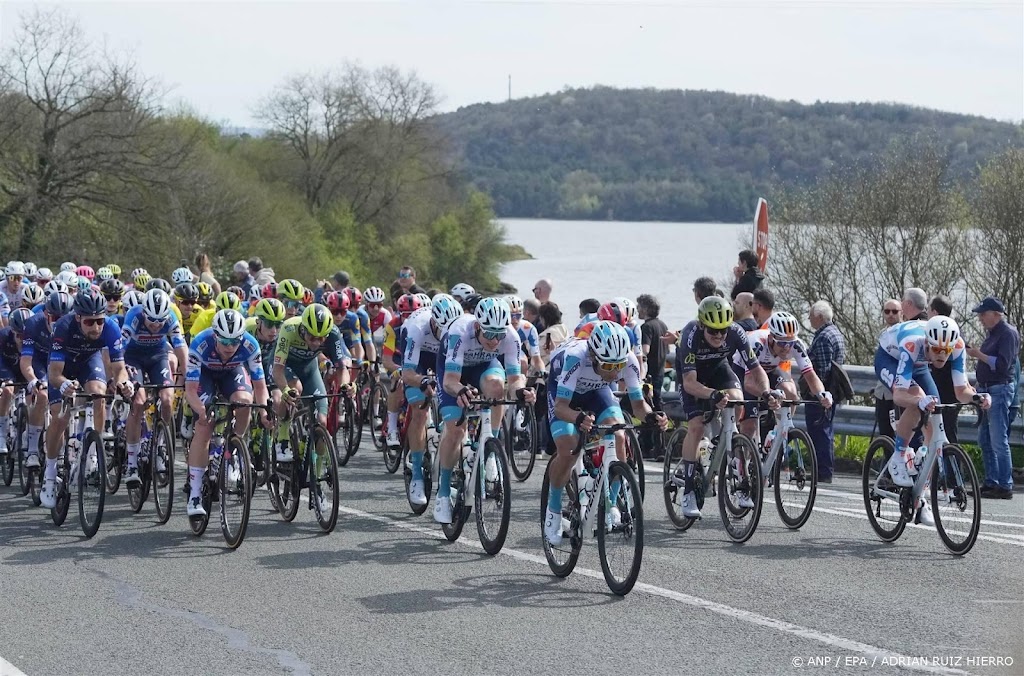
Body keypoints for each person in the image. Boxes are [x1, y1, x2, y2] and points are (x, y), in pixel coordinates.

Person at [543, 322, 667, 544]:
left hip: (596, 391)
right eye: (609, 367)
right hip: (562, 393)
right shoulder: (576, 357)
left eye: (618, 366)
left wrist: (651, 416)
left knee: (619, 435)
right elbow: (561, 406)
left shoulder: (627, 361)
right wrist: (578, 418)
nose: (616, 373)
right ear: (593, 355)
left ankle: (610, 503)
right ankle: (553, 509)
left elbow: (638, 405)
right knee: (569, 448)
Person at [876, 314, 989, 523]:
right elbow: (900, 396)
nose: (941, 356)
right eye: (936, 350)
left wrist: (976, 397)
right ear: (927, 342)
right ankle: (899, 455)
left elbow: (961, 390)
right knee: (917, 397)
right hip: (890, 357)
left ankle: (920, 496)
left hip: (919, 363)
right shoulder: (912, 343)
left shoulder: (957, 346)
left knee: (933, 404)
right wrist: (917, 402)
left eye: (945, 351)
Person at [673, 297, 778, 519]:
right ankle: (689, 490)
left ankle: (730, 445)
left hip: (719, 369)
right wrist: (712, 394)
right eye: (713, 331)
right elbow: (690, 383)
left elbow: (756, 369)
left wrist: (766, 391)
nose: (719, 336)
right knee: (697, 426)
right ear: (702, 325)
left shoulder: (736, 332)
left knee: (738, 399)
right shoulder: (691, 335)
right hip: (693, 376)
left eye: (723, 331)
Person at [433, 297, 534, 524]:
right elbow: (450, 380)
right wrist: (459, 391)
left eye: (499, 334)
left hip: (484, 367)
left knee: (497, 389)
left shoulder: (510, 337)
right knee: (456, 430)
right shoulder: (459, 332)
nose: (494, 340)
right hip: (452, 372)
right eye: (489, 334)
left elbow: (515, 379)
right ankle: (442, 492)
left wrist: (521, 392)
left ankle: (489, 448)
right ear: (478, 326)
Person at [966, 296, 1019, 499]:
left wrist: (978, 355)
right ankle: (991, 481)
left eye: (983, 314)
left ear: (996, 315)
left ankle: (1005, 485)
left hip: (999, 390)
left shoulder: (1007, 333)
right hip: (987, 389)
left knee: (998, 440)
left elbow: (1002, 365)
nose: (980, 318)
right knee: (985, 439)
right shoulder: (993, 333)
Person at [805, 301, 845, 484]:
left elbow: (822, 369)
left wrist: (815, 391)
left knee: (819, 431)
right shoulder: (835, 332)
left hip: (822, 393)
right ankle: (824, 469)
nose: (809, 319)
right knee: (826, 430)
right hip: (833, 391)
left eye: (811, 315)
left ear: (819, 317)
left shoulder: (822, 338)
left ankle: (822, 471)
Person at [638, 294, 669, 458]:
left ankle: (648, 446)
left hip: (649, 375)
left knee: (647, 410)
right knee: (659, 406)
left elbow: (645, 350)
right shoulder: (662, 325)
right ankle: (660, 447)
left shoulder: (646, 327)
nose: (637, 310)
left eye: (639, 306)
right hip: (660, 372)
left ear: (646, 308)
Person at [927, 295, 959, 443]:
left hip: (944, 392)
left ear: (934, 312)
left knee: (946, 438)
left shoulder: (951, 335)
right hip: (947, 393)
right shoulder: (955, 330)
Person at [874, 299, 902, 440]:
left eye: (895, 311)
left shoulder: (906, 333)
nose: (891, 315)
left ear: (901, 313)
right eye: (887, 311)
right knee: (884, 433)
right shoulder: (882, 334)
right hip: (881, 392)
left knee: (900, 432)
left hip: (898, 393)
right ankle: (888, 459)